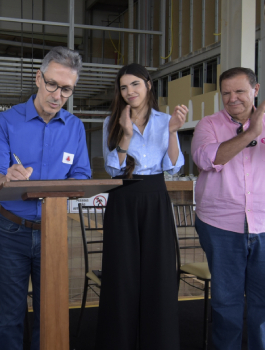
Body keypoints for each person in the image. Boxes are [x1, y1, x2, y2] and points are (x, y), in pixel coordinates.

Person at [190, 67, 265, 350]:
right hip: (220, 225)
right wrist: (250, 133)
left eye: (240, 91)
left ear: (255, 90)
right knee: (225, 302)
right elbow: (207, 159)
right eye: (226, 93)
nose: (232, 98)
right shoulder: (208, 124)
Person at [0, 46, 91, 350]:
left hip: (54, 230)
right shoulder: (6, 122)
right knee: (11, 315)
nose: (57, 95)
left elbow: (82, 176)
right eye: (52, 84)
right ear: (38, 78)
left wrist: (55, 186)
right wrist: (6, 178)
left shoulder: (75, 128)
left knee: (51, 313)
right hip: (12, 231)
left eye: (66, 89)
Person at [94, 63, 187, 349]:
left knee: (158, 274)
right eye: (123, 87)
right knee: (121, 275)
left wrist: (172, 132)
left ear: (148, 84)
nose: (129, 91)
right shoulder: (112, 122)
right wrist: (125, 134)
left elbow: (174, 167)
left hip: (156, 195)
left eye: (134, 84)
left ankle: (158, 342)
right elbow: (112, 170)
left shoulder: (164, 120)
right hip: (123, 197)